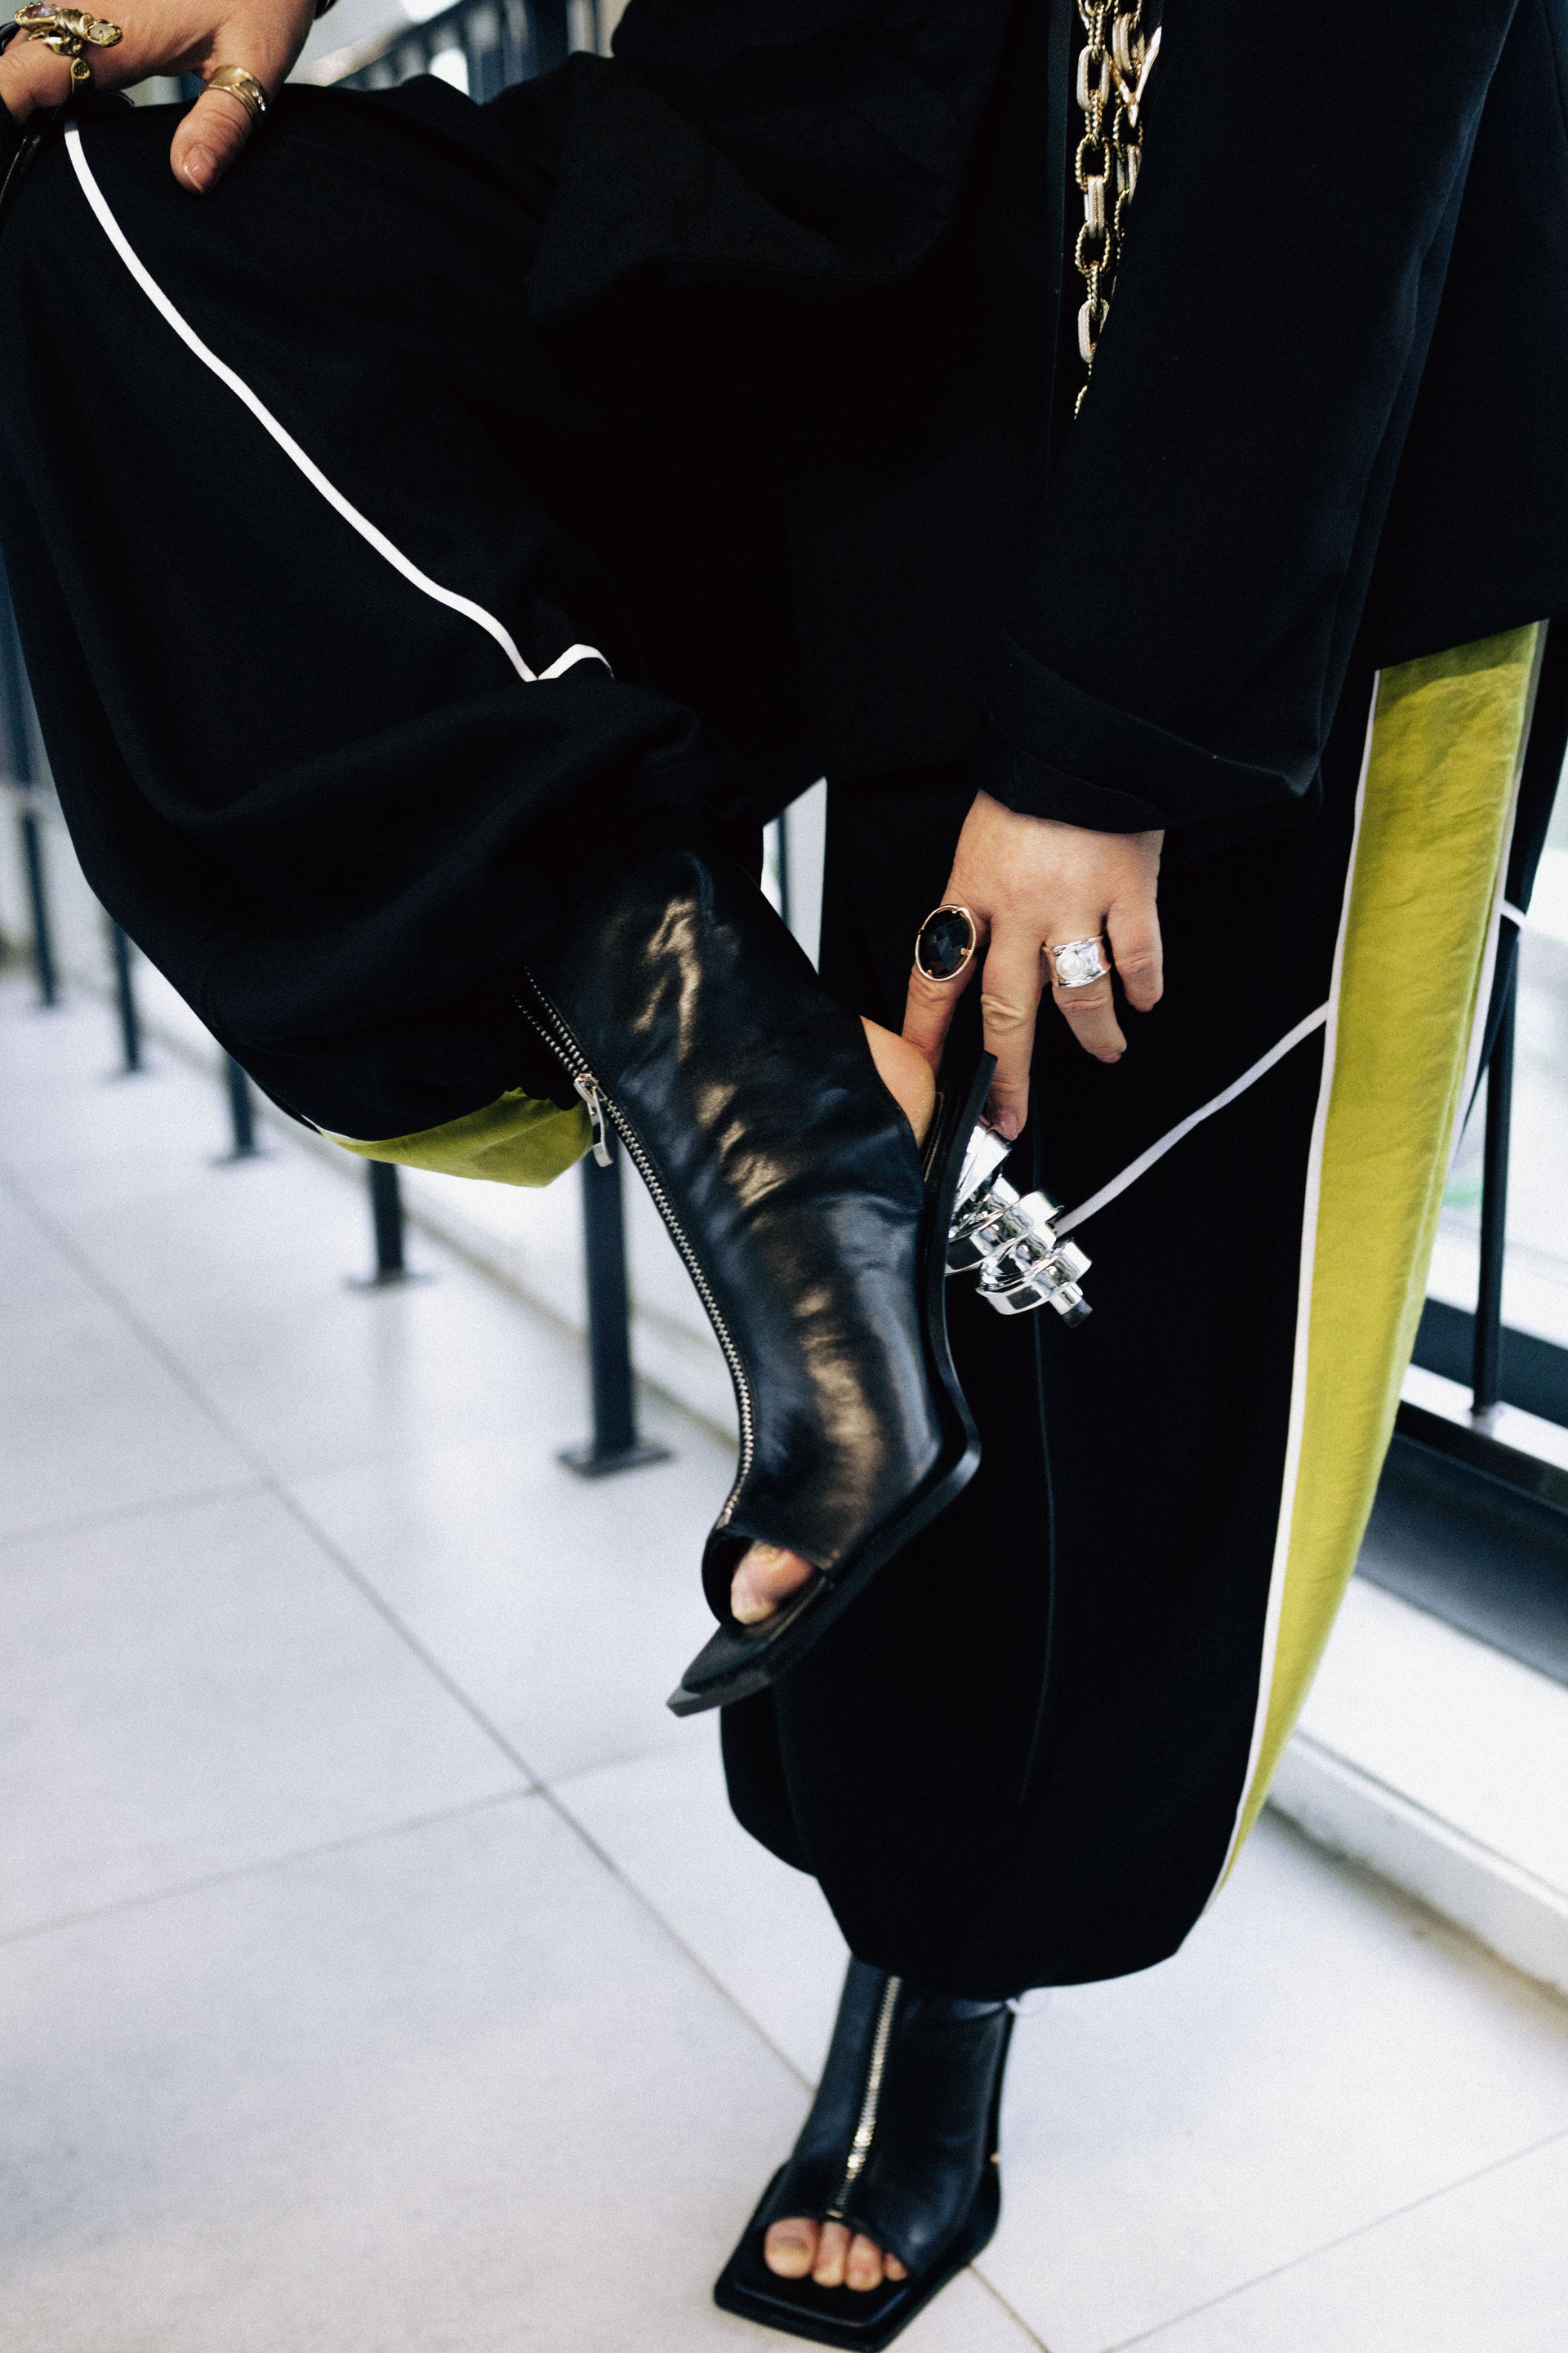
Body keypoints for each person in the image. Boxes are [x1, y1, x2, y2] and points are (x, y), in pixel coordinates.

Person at [2, 2, 1566, 2342]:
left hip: (1229, 293)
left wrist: (1116, 724)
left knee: (1076, 1314)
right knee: (117, 236)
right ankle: (762, 1091)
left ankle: (940, 1969)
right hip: (822, 171)